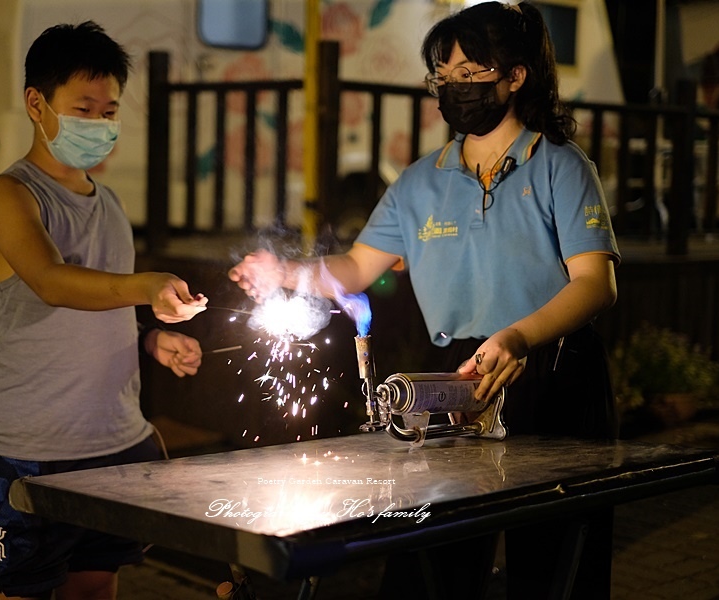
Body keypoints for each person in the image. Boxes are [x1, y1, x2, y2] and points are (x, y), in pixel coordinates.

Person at [229, 2, 619, 598]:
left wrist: (518, 337)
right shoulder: (418, 181)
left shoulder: (561, 168)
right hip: (457, 377)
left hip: (553, 366)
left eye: (472, 72)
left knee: (555, 564)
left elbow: (595, 282)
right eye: (446, 76)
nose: (457, 88)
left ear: (515, 76)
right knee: (434, 560)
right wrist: (284, 271)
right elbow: (358, 268)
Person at [0, 21, 208, 600]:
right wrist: (146, 286)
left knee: (97, 584)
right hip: (30, 449)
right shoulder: (11, 195)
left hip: (117, 442)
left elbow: (100, 305)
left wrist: (150, 338)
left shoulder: (110, 205)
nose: (100, 124)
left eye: (108, 111)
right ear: (37, 103)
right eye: (84, 108)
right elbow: (53, 283)